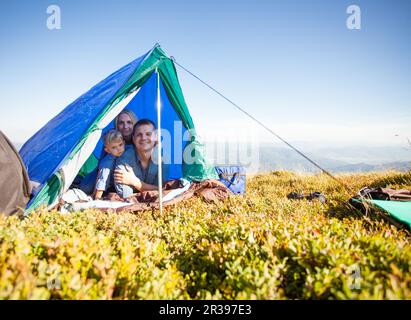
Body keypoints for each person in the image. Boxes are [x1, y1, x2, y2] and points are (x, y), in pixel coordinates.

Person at [114, 119, 169, 198]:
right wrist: (150, 188)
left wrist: (135, 182)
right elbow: (126, 196)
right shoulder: (124, 158)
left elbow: (163, 190)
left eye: (148, 134)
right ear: (133, 138)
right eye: (139, 135)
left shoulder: (163, 158)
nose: (143, 138)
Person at [93, 129, 127, 200]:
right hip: (105, 182)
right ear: (107, 150)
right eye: (114, 147)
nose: (119, 149)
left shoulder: (128, 152)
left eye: (120, 145)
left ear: (124, 143)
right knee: (86, 187)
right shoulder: (107, 162)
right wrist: (97, 196)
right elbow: (102, 177)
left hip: (116, 182)